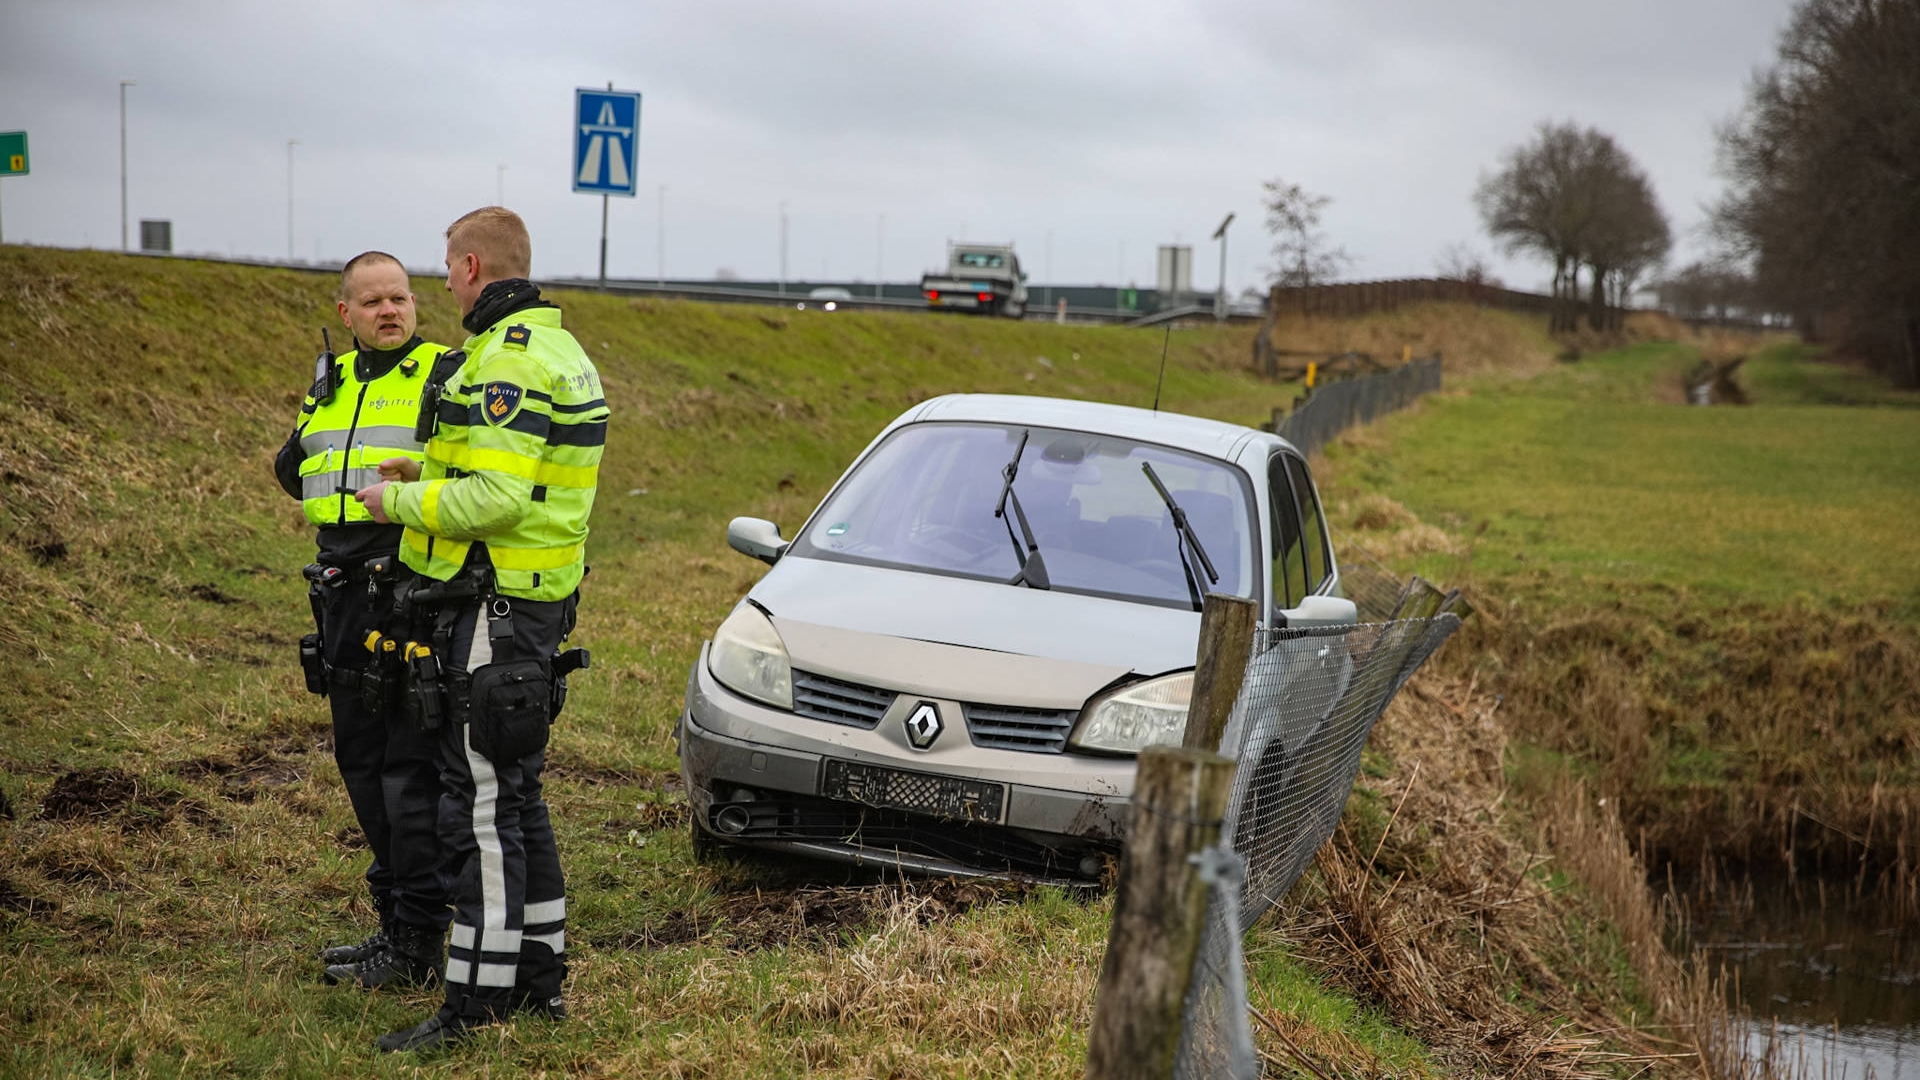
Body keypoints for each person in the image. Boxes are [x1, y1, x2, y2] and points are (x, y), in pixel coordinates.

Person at [354, 207, 608, 1052]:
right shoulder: (554, 349)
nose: (443, 284)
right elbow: (513, 470)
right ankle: (537, 979)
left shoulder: (509, 360)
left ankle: (476, 1003)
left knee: (482, 807)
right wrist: (428, 467)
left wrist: (400, 499)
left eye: (445, 269)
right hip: (530, 601)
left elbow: (498, 500)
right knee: (516, 796)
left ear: (470, 267)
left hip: (496, 607)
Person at [273, 251, 453, 990]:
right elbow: (296, 467)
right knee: (361, 762)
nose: (390, 311)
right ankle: (394, 924)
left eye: (400, 298)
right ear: (345, 313)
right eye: (374, 301)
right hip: (341, 591)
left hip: (410, 588)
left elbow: (477, 473)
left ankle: (419, 942)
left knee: (408, 770)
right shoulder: (331, 381)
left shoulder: (447, 373)